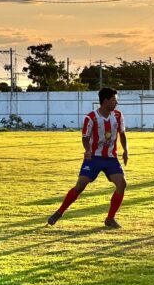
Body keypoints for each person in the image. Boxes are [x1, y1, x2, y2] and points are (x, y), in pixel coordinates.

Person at [47, 88, 128, 229]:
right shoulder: (91, 118)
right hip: (94, 158)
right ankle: (59, 212)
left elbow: (122, 134)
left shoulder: (118, 115)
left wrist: (126, 150)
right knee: (80, 186)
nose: (116, 102)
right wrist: (88, 150)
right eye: (114, 100)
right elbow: (85, 137)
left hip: (110, 158)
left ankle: (110, 218)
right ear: (106, 101)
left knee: (122, 184)